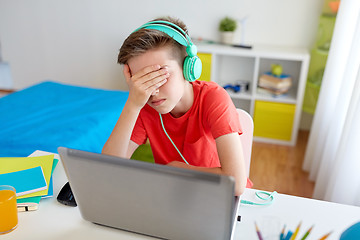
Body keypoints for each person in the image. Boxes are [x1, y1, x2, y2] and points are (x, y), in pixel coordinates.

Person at [102, 16, 252, 196]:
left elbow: (235, 183)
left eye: (161, 75)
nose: (153, 91)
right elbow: (109, 168)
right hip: (173, 194)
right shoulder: (144, 105)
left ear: (188, 68)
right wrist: (133, 103)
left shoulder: (213, 98)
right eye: (143, 81)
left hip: (216, 194)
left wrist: (177, 168)